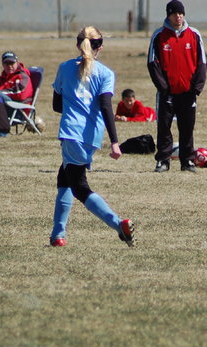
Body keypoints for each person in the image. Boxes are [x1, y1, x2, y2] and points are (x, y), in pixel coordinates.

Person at [49, 26, 135, 247]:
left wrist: (73, 106)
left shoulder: (64, 68)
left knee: (79, 187)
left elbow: (56, 105)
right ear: (100, 47)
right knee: (65, 178)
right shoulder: (106, 73)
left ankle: (118, 224)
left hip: (71, 132)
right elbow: (106, 107)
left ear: (78, 44)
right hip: (91, 136)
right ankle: (58, 235)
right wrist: (114, 142)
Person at [148, 0, 207, 173]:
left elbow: (202, 62)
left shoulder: (194, 34)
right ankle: (163, 160)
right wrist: (164, 88)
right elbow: (152, 63)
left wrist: (196, 88)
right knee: (164, 127)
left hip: (188, 92)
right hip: (167, 92)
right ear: (168, 15)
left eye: (181, 13)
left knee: (187, 127)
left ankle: (187, 161)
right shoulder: (159, 35)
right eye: (174, 14)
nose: (178, 17)